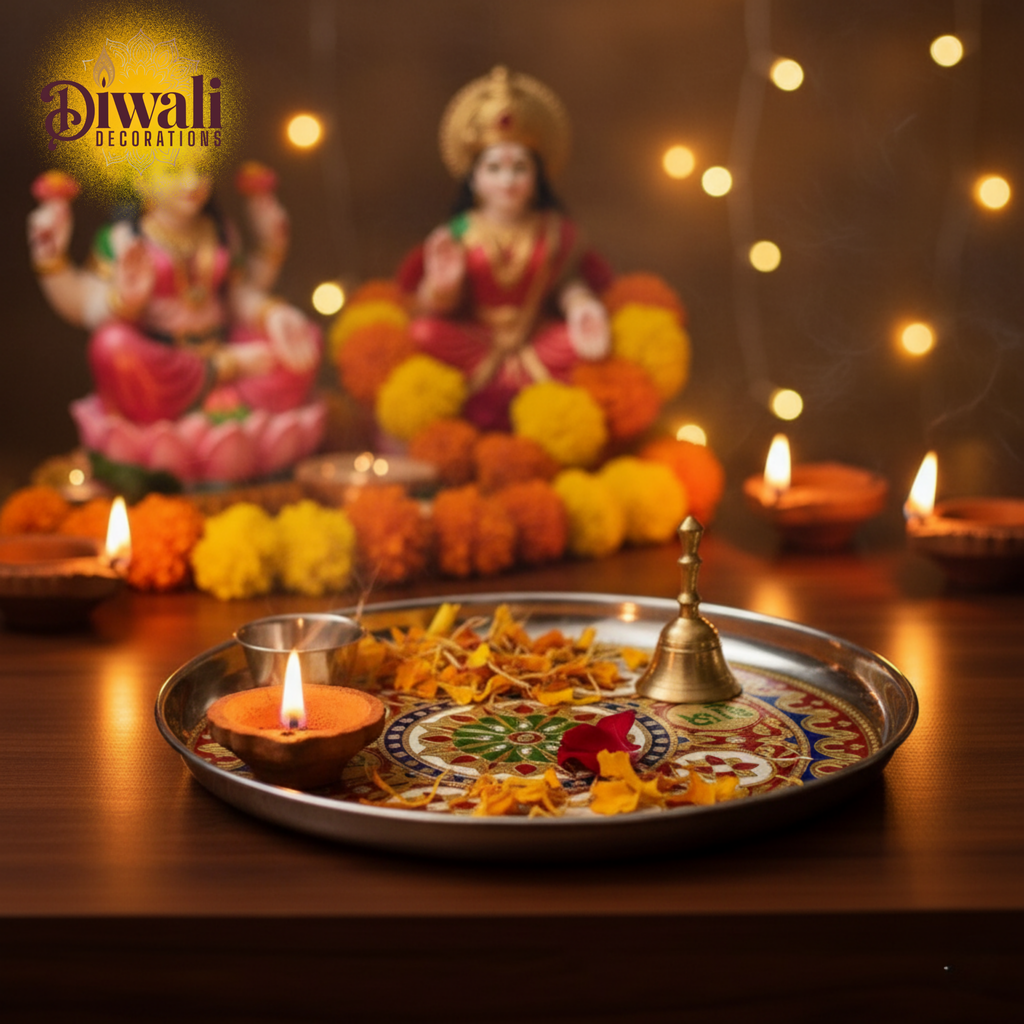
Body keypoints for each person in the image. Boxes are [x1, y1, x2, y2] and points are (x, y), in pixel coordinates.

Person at [27, 162, 324, 486]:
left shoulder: (219, 229)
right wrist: (121, 300)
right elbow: (86, 304)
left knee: (303, 337)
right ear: (140, 182)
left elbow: (235, 294)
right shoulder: (122, 238)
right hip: (163, 365)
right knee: (110, 346)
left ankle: (228, 404)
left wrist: (272, 314)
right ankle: (220, 379)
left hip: (223, 343)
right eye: (172, 171)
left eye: (200, 170)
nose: (191, 182)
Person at [401, 66, 613, 431]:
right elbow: (426, 307)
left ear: (537, 177)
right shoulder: (458, 232)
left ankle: (533, 398)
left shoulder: (557, 231)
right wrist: (443, 286)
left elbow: (567, 283)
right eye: (494, 168)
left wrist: (582, 307)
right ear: (474, 177)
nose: (508, 180)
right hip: (474, 338)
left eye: (519, 168)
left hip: (536, 337)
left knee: (586, 345)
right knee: (422, 334)